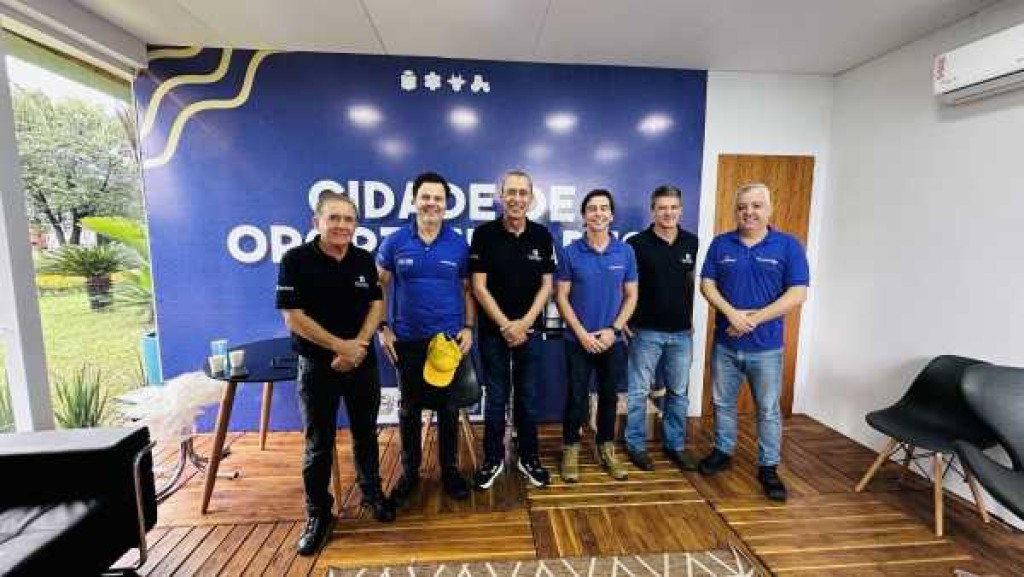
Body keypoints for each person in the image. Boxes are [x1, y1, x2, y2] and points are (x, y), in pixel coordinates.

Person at [276, 191, 395, 557]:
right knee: (318, 444)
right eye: (334, 218)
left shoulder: (363, 259)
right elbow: (293, 317)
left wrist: (358, 346)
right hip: (317, 367)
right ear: (317, 222)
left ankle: (372, 492)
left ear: (355, 224)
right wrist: (339, 347)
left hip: (361, 364)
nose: (342, 225)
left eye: (348, 219)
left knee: (366, 434)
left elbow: (377, 304)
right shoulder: (295, 260)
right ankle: (318, 514)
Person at [698, 182, 809, 502]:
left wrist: (752, 319)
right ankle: (723, 451)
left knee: (768, 409)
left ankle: (768, 467)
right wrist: (731, 314)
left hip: (767, 348)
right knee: (723, 403)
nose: (749, 212)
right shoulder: (721, 244)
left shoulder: (788, 246)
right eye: (742, 206)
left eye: (756, 205)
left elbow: (797, 293)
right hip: (726, 345)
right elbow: (707, 284)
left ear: (769, 209)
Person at [377, 171, 476, 504]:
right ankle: (410, 473)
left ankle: (450, 471)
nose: (432, 203)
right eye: (426, 197)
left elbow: (468, 290)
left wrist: (468, 327)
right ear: (414, 200)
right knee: (409, 409)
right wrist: (383, 327)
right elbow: (380, 285)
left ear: (446, 205)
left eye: (438, 198)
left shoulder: (458, 244)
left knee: (448, 408)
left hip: (447, 342)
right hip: (407, 341)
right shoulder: (395, 242)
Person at [469, 170, 555, 490]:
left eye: (523, 193)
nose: (517, 199)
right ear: (501, 196)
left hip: (530, 332)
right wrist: (506, 325)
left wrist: (525, 323)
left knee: (528, 397)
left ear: (531, 198)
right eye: (511, 192)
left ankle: (528, 457)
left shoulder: (542, 235)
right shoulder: (484, 235)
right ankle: (493, 458)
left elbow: (547, 286)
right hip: (494, 332)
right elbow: (478, 287)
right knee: (496, 398)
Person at [555, 189, 638, 482]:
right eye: (592, 208)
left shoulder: (625, 252)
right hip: (577, 340)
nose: (598, 213)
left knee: (608, 397)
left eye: (604, 208)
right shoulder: (570, 253)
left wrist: (613, 331)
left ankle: (606, 447)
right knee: (575, 397)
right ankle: (571, 449)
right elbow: (561, 296)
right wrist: (581, 334)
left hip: (612, 341)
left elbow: (631, 296)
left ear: (611, 215)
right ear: (584, 215)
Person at [624, 185, 700, 472]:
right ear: (653, 210)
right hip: (645, 332)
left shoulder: (691, 242)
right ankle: (636, 445)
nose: (668, 213)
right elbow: (626, 287)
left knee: (678, 393)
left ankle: (674, 445)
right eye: (662, 208)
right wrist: (624, 321)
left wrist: (690, 318)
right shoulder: (636, 244)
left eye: (673, 207)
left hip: (681, 334)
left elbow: (688, 283)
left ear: (681, 209)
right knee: (638, 392)